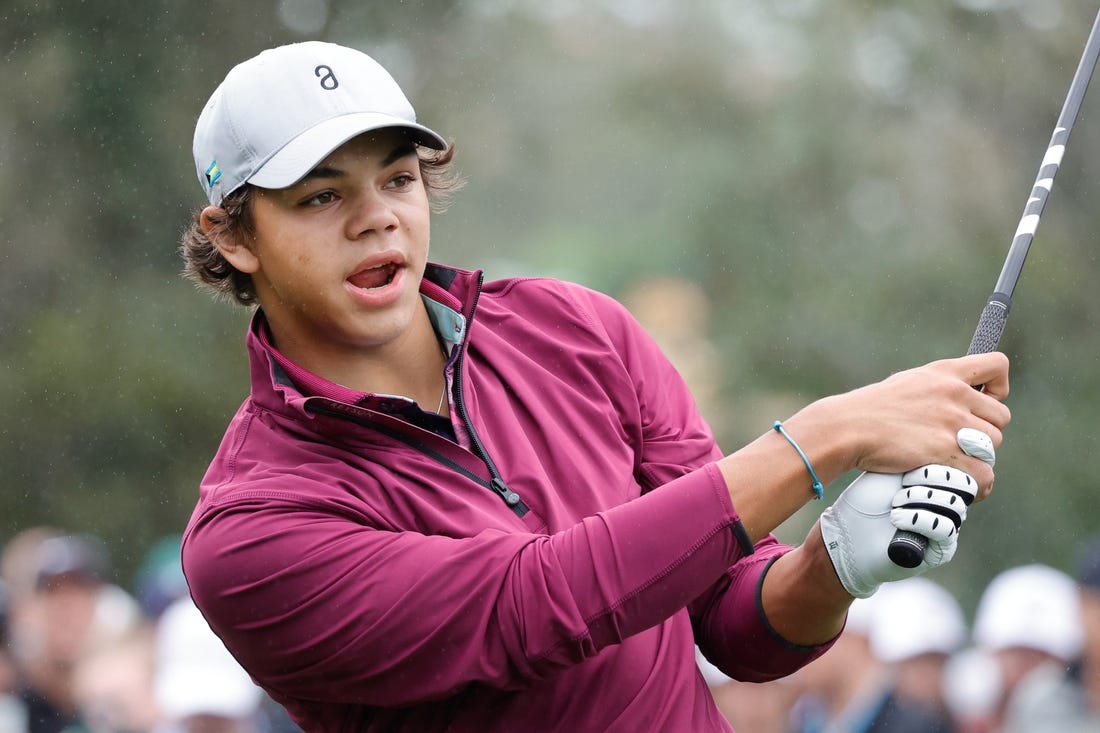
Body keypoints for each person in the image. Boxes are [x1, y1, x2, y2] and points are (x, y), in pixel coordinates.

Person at [177, 41, 1011, 732]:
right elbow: (529, 606)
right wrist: (822, 439)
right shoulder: (251, 529)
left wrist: (834, 563)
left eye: (396, 179)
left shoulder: (577, 331)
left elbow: (731, 620)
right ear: (234, 235)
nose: (377, 217)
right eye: (322, 196)